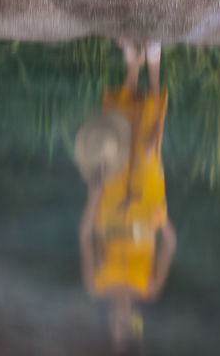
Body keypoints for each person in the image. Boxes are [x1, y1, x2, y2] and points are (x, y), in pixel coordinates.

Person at [78, 41, 176, 351]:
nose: (118, 320)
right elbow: (170, 245)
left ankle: (133, 62)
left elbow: (83, 238)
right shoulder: (149, 289)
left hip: (109, 207)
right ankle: (153, 63)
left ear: (108, 321)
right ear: (133, 322)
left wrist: (94, 196)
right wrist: (162, 219)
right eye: (124, 325)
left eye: (113, 324)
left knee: (117, 138)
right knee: (148, 142)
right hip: (147, 205)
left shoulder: (95, 285)